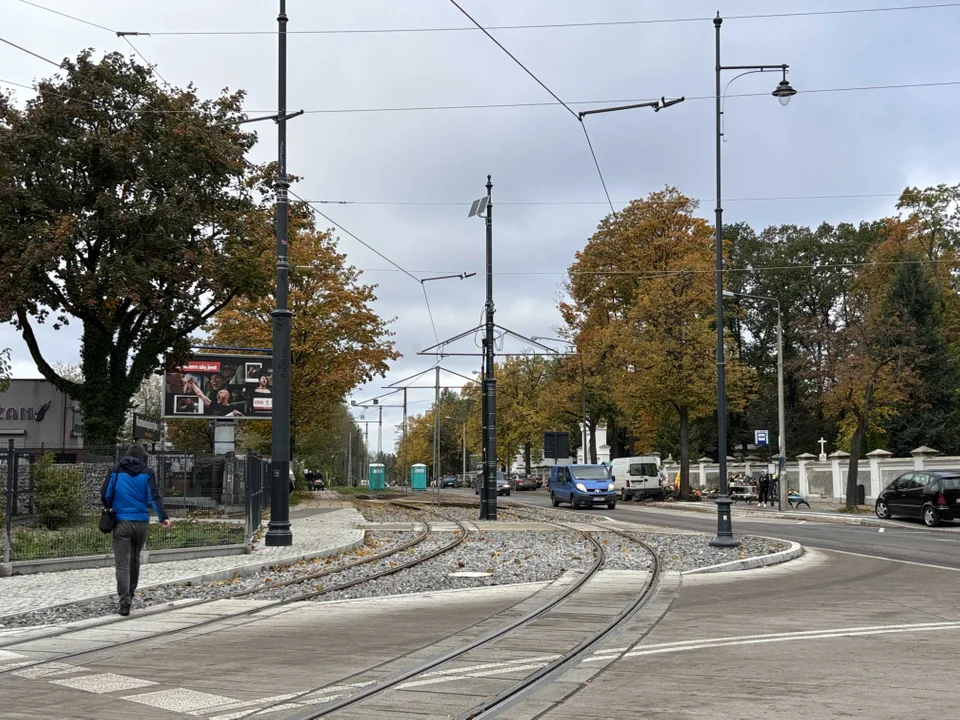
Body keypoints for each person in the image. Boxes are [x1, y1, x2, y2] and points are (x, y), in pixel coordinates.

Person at [101, 443, 171, 616]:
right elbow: (154, 496)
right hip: (141, 522)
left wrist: (110, 507)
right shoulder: (147, 473)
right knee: (135, 560)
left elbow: (105, 494)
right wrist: (163, 517)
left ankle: (124, 602)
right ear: (143, 457)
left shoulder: (115, 470)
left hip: (121, 522)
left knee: (122, 563)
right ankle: (131, 594)